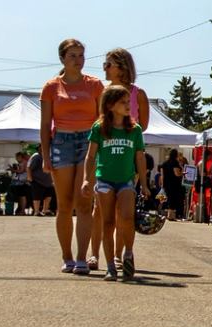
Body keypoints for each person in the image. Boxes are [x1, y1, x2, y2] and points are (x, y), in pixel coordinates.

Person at [42, 39, 105, 275]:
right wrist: (46, 155)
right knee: (65, 204)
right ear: (62, 59)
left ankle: (81, 257)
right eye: (72, 56)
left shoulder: (95, 85)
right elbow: (45, 124)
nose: (78, 60)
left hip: (88, 142)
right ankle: (66, 255)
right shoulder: (51, 87)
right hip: (62, 142)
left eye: (81, 55)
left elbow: (102, 119)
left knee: (84, 201)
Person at [83, 84, 148, 281]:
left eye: (129, 102)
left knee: (127, 218)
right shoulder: (99, 128)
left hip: (126, 181)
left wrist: (144, 184)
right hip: (104, 181)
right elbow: (91, 156)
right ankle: (110, 265)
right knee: (108, 222)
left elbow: (140, 158)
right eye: (123, 102)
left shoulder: (135, 129)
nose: (128, 105)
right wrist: (87, 179)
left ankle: (128, 253)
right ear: (110, 105)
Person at [161, 148, 187, 220]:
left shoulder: (164, 163)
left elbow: (162, 175)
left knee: (168, 199)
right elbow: (177, 173)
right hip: (174, 183)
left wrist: (162, 184)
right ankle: (171, 216)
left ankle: (169, 215)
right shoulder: (175, 162)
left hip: (166, 183)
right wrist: (183, 173)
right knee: (173, 199)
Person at [8, 150, 34, 215]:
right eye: (16, 158)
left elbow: (21, 171)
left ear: (21, 157)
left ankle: (22, 210)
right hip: (21, 181)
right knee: (21, 196)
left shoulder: (23, 162)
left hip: (23, 182)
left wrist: (13, 170)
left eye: (18, 157)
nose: (17, 159)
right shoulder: (22, 162)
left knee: (22, 196)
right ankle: (21, 210)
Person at [29, 150, 54, 215]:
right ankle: (36, 211)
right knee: (37, 196)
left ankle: (45, 210)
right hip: (37, 180)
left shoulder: (51, 156)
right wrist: (30, 178)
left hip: (48, 181)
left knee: (48, 196)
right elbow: (29, 167)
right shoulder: (36, 156)